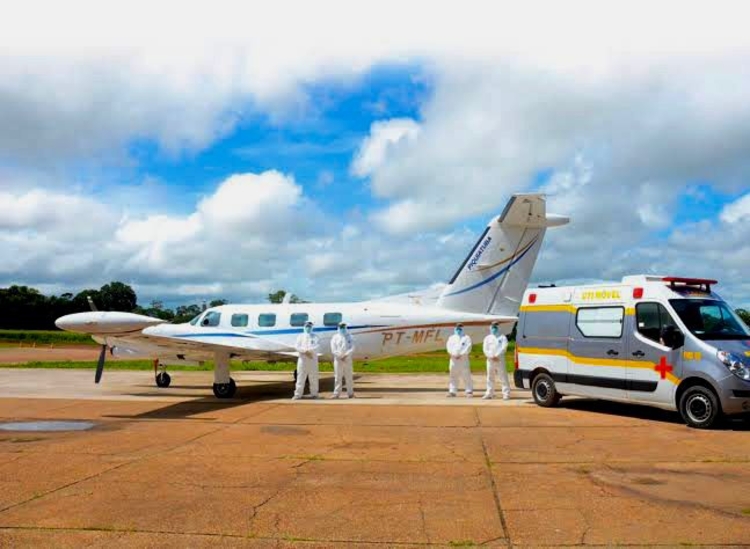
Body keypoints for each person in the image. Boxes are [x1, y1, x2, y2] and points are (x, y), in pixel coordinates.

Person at [293, 321, 320, 400]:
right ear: (304, 327)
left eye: (310, 326)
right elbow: (297, 346)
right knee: (300, 377)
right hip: (302, 359)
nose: (308, 328)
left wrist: (309, 351)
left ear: (312, 327)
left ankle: (314, 394)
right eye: (307, 326)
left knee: (314, 377)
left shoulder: (315, 337)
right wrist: (305, 351)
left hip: (312, 359)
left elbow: (317, 346)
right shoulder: (300, 336)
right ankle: (298, 394)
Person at [483, 322, 510, 400]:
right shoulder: (487, 338)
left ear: (498, 328)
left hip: (500, 360)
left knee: (503, 377)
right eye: (493, 327)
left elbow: (504, 348)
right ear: (490, 328)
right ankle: (489, 393)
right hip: (490, 360)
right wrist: (491, 356)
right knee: (490, 377)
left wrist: (496, 355)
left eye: (495, 327)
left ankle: (506, 394)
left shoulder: (502, 337)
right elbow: (485, 349)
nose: (494, 328)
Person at [446, 323, 473, 397]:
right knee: (453, 375)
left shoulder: (466, 337)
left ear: (463, 328)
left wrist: (461, 354)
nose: (458, 329)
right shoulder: (451, 338)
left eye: (460, 327)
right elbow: (448, 347)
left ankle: (469, 391)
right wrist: (453, 354)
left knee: (466, 375)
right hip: (454, 359)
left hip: (463, 359)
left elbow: (468, 347)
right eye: (457, 328)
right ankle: (452, 391)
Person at [330, 322, 355, 398]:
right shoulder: (335, 337)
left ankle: (350, 393)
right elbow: (333, 349)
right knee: (338, 377)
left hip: (347, 359)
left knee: (349, 376)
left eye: (344, 327)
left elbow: (352, 347)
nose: (342, 328)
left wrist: (346, 355)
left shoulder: (350, 337)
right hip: (338, 360)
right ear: (338, 327)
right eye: (341, 327)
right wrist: (340, 356)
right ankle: (336, 393)